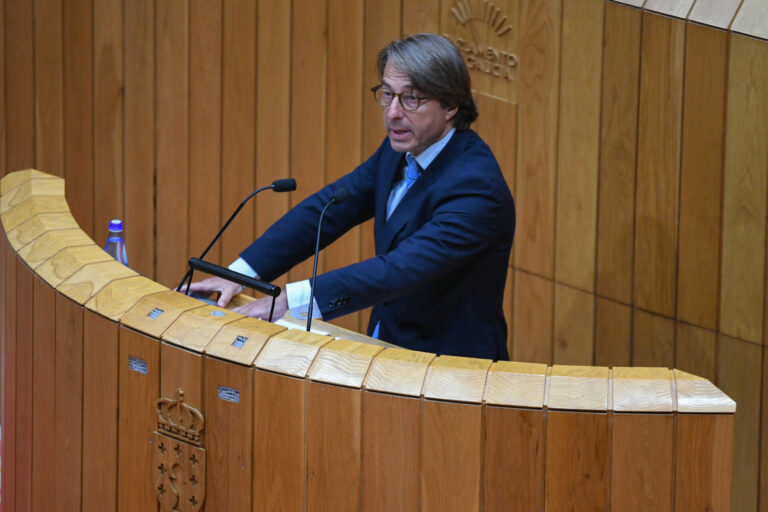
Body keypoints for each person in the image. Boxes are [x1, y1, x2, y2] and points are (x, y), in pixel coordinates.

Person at [187, 33, 515, 360]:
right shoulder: (401, 148)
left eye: (411, 99)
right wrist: (240, 274)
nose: (393, 112)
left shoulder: (476, 188)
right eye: (387, 94)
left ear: (450, 106)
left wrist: (289, 301)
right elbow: (327, 210)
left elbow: (399, 269)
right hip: (386, 341)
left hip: (450, 370)